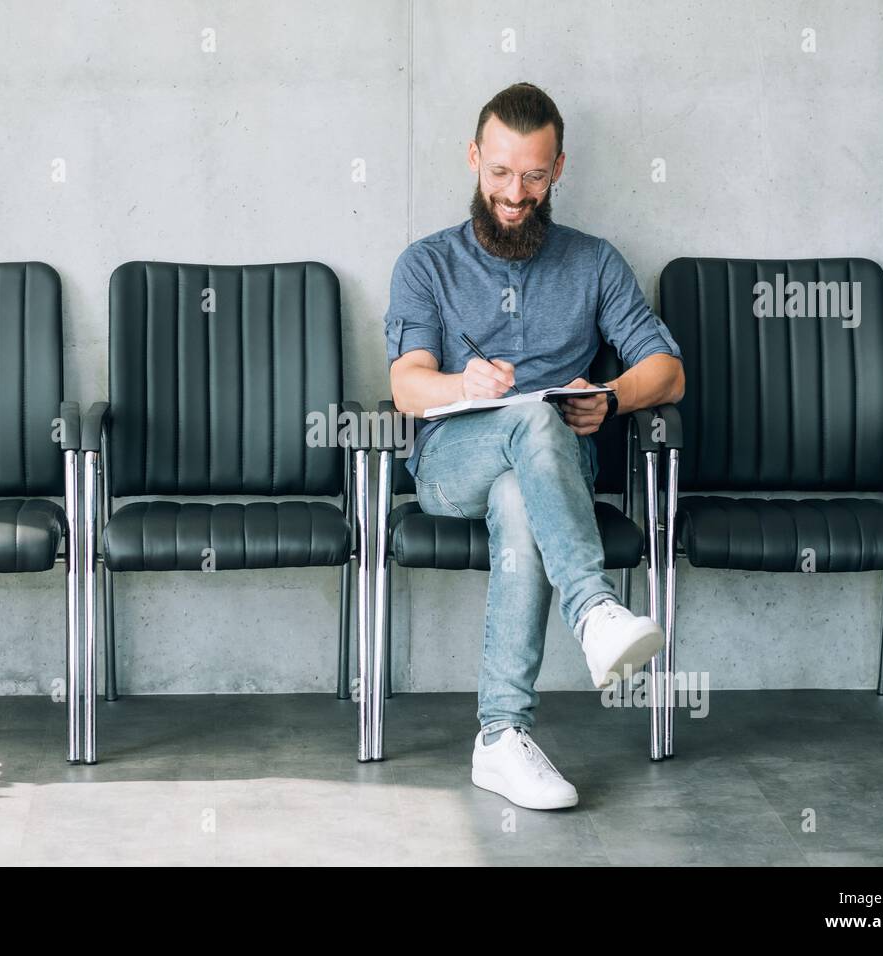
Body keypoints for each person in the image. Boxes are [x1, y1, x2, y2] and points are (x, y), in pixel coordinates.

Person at [383, 82, 686, 810]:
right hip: (453, 463)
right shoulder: (426, 263)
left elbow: (668, 372)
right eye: (499, 172)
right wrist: (462, 382)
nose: (514, 194)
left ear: (558, 170)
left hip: (551, 473)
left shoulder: (594, 262)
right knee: (528, 419)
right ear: (473, 158)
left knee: (523, 490)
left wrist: (611, 397)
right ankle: (594, 611)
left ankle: (501, 737)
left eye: (533, 176)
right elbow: (405, 386)